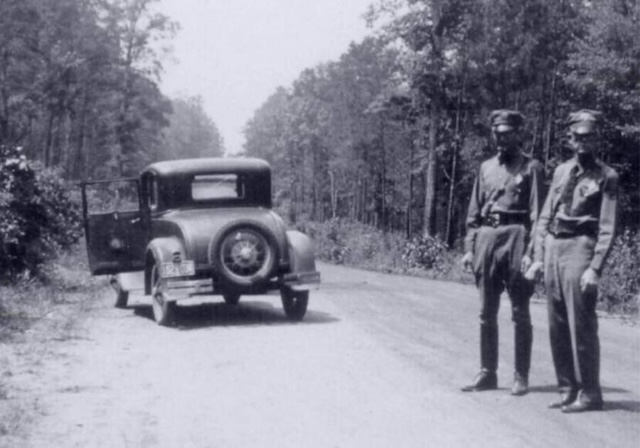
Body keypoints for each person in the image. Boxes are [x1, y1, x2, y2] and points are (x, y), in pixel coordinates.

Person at [525, 110, 617, 413]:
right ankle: (567, 388)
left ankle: (590, 393)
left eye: (588, 136)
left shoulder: (607, 177)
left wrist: (595, 267)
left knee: (582, 324)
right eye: (578, 137)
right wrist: (538, 256)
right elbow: (544, 216)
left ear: (597, 138)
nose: (583, 143)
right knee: (557, 323)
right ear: (570, 139)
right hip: (554, 247)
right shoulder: (562, 171)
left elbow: (607, 226)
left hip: (581, 247)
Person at [461, 109, 544, 396]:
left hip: (517, 237)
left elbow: (538, 215)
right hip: (487, 238)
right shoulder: (485, 168)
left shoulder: (532, 168)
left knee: (520, 312)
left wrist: (532, 252)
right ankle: (488, 372)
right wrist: (470, 249)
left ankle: (521, 375)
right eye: (497, 132)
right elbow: (474, 212)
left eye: (507, 132)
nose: (501, 137)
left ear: (518, 134)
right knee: (486, 312)